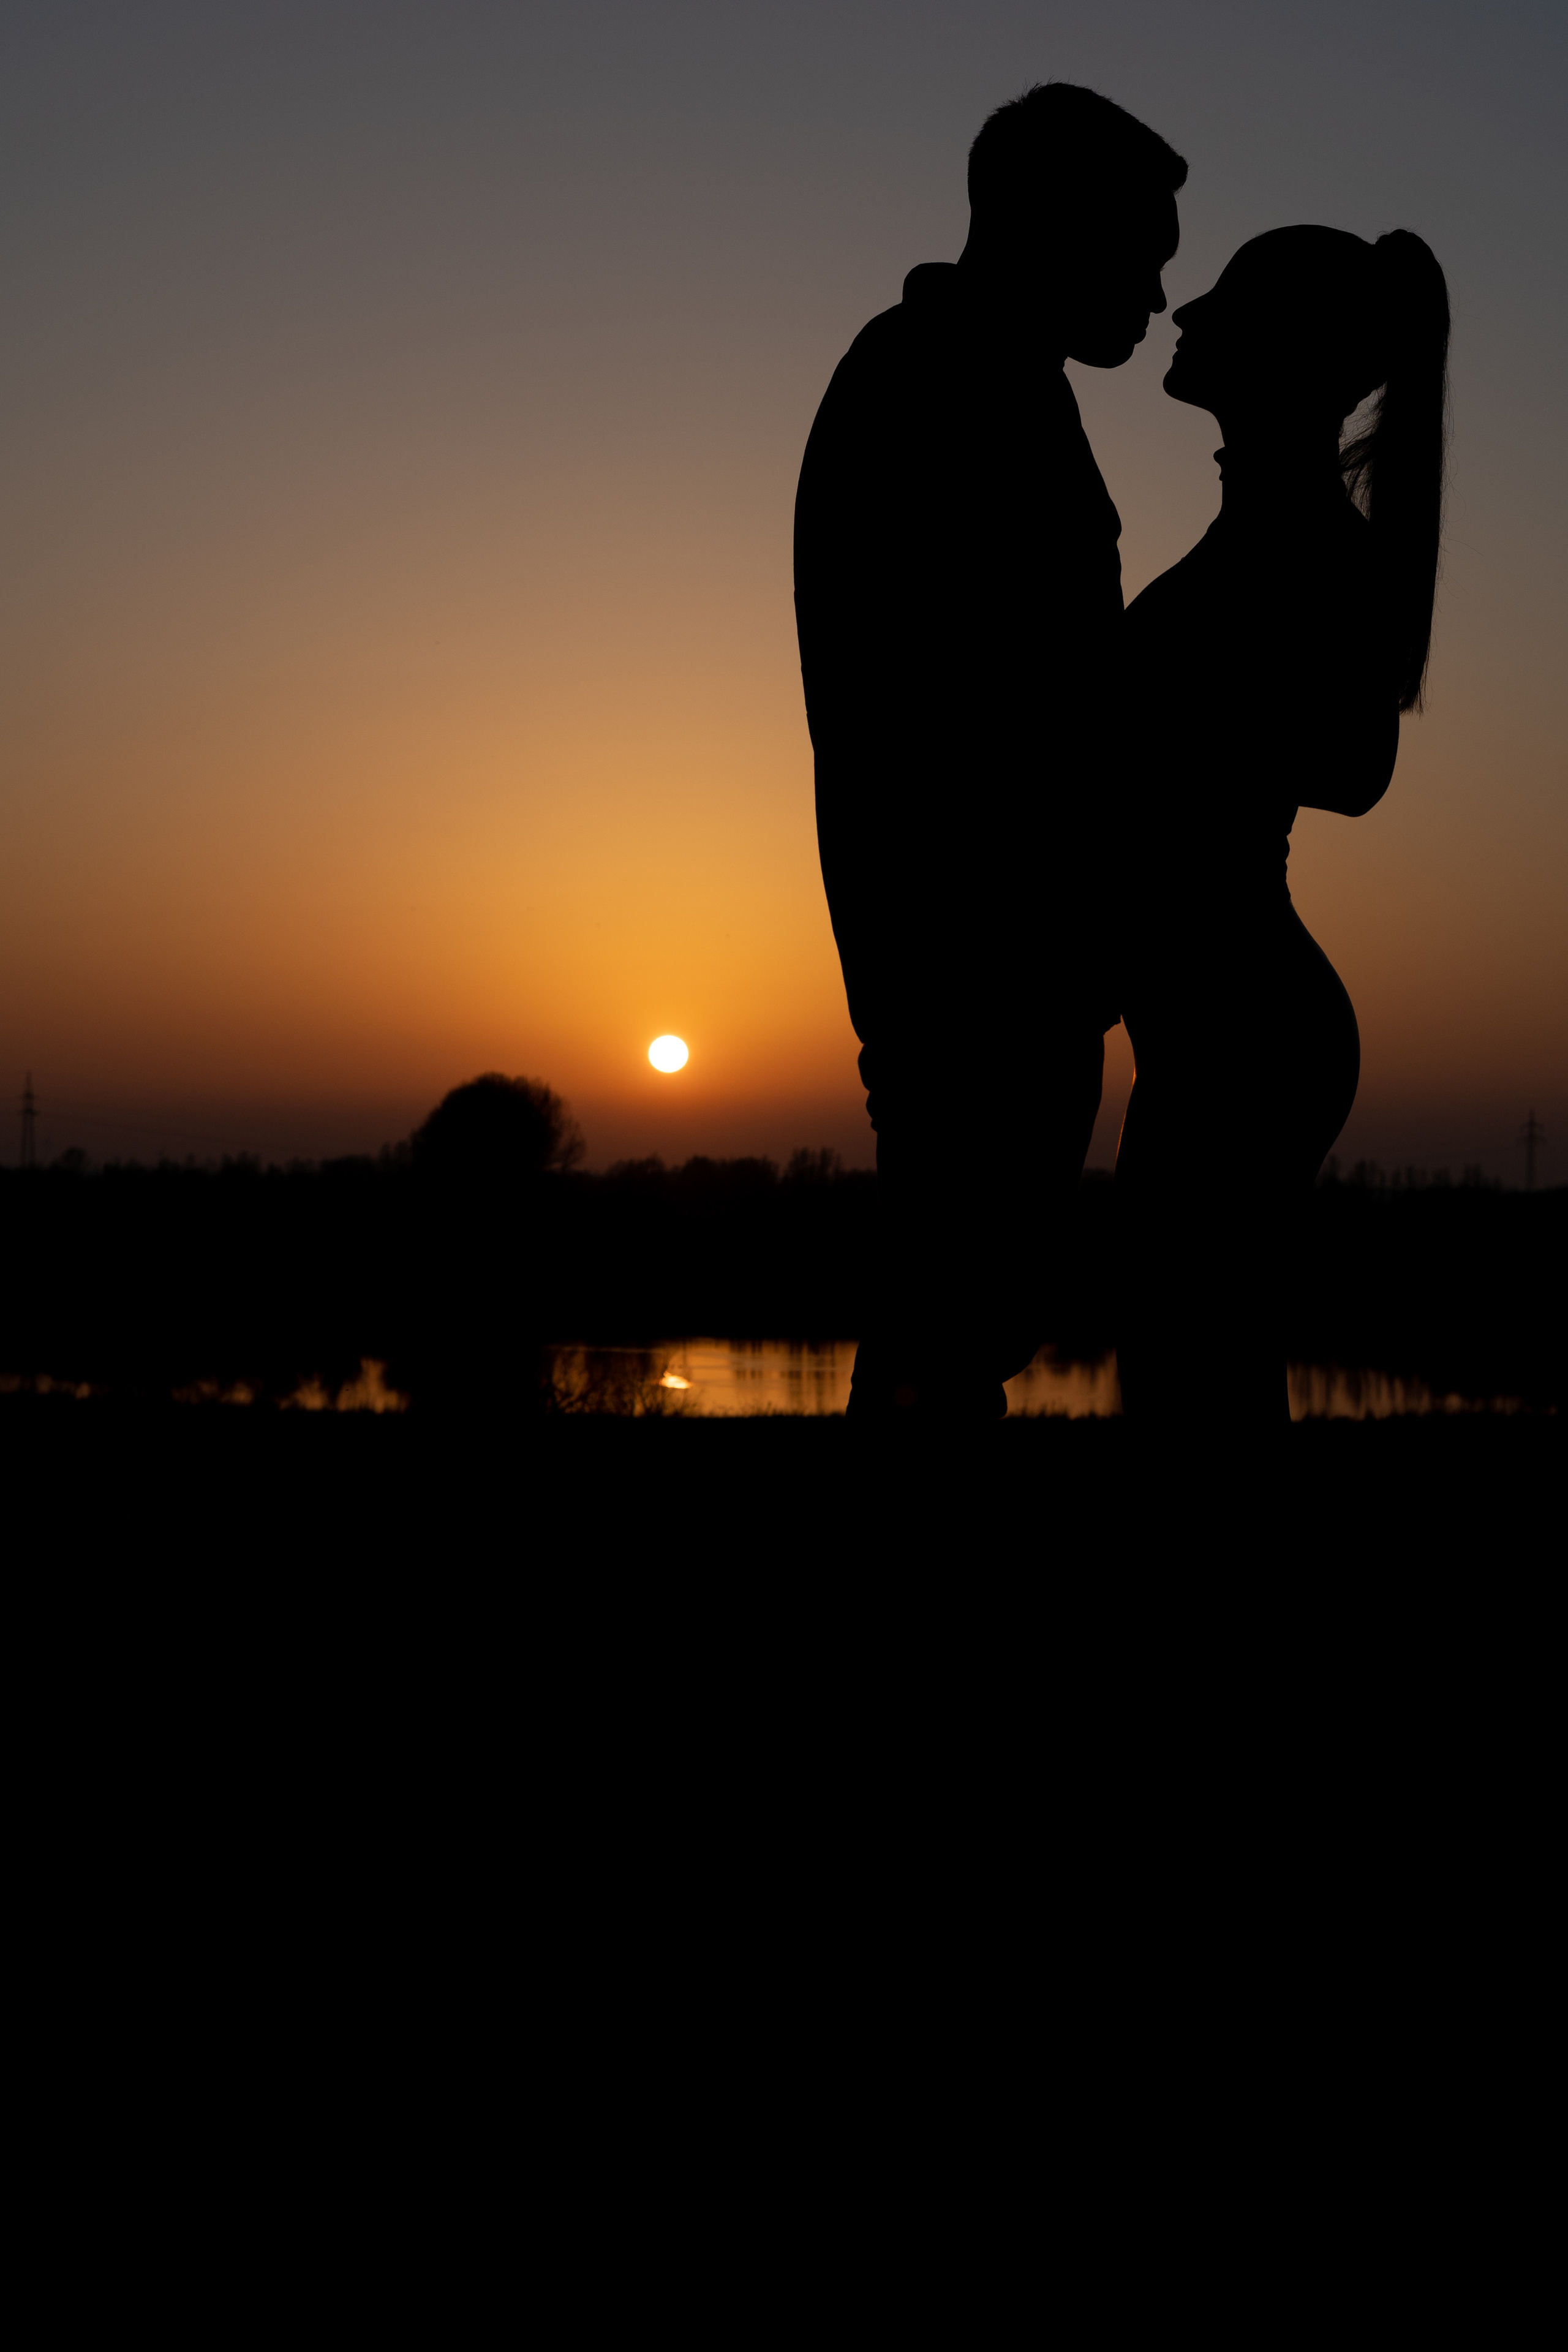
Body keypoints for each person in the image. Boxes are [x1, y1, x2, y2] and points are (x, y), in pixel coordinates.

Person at [794, 82, 1186, 1419]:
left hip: (995, 959)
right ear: (1044, 224)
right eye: (1138, 253)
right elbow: (971, 704)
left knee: (958, 1324)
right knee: (946, 1326)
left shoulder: (984, 381)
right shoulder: (933, 386)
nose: (1153, 293)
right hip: (970, 959)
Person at [1113, 225, 1450, 1424]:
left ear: (1284, 359)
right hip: (1219, 1015)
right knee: (1193, 1368)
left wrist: (1178, 723)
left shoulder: (1311, 547)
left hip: (1246, 1026)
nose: (1187, 313)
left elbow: (1356, 767)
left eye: (1227, 301)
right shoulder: (1259, 529)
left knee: (1192, 1371)